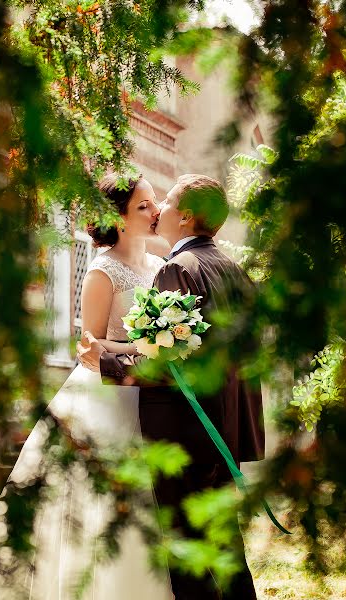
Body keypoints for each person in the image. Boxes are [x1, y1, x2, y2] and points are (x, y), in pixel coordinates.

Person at [0, 173, 173, 600]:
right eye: (143, 205)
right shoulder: (102, 272)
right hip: (104, 399)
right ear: (119, 218)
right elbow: (89, 346)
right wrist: (148, 343)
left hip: (148, 392)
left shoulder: (161, 268)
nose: (155, 210)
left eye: (154, 202)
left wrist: (161, 345)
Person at [78, 174, 264, 600]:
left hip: (186, 428)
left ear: (186, 217)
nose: (158, 207)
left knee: (187, 557)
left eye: (164, 201)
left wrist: (107, 359)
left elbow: (172, 363)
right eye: (147, 203)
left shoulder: (178, 268)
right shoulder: (230, 268)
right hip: (223, 425)